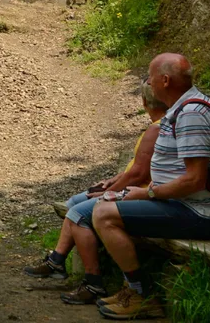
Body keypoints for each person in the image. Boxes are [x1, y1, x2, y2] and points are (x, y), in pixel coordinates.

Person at [93, 53, 210, 320]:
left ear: (165, 80)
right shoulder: (183, 108)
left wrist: (147, 192)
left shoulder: (192, 114)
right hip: (181, 203)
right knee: (109, 207)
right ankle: (131, 286)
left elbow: (194, 180)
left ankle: (140, 294)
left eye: (150, 76)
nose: (148, 82)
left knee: (103, 214)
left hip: (198, 212)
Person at [23, 79, 167, 305]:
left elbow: (139, 175)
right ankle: (57, 261)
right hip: (134, 189)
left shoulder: (156, 130)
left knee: (78, 213)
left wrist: (108, 192)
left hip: (137, 194)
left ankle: (93, 282)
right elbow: (136, 169)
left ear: (144, 102)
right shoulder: (159, 126)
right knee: (73, 203)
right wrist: (111, 182)